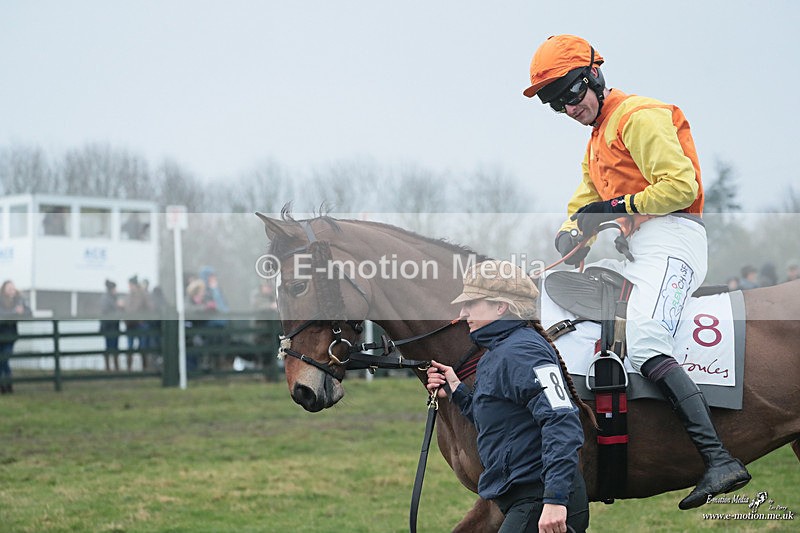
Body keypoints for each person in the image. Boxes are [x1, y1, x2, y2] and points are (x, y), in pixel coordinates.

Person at [523, 34, 750, 509]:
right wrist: (571, 232)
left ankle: (718, 459)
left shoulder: (638, 116)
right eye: (554, 104)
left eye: (569, 94)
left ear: (594, 77)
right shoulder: (596, 140)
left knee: (646, 339)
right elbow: (584, 203)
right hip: (634, 250)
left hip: (675, 240)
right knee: (552, 290)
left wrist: (616, 205)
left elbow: (680, 184)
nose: (567, 108)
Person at [426, 260, 592, 533]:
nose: (464, 313)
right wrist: (455, 389)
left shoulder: (523, 351)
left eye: (472, 304)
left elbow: (562, 422)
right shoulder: (495, 352)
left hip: (542, 501)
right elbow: (497, 416)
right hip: (527, 498)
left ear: (501, 307)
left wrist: (554, 500)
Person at [0, 280, 32, 394]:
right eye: (9, 288)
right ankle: (4, 386)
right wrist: (15, 312)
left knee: (4, 359)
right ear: (3, 290)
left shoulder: (18, 300)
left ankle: (7, 385)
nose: (11, 290)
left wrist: (22, 312)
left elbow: (29, 312)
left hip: (10, 336)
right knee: (2, 361)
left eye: (12, 288)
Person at [99, 279, 125, 371]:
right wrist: (118, 307)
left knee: (114, 346)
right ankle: (109, 367)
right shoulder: (106, 298)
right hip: (109, 326)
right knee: (110, 346)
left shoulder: (111, 298)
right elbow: (107, 312)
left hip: (113, 325)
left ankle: (114, 367)